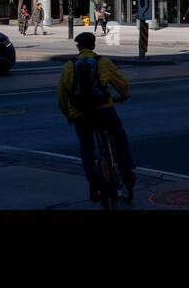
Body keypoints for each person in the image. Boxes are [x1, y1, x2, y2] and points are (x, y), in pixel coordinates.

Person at [57, 32, 135, 203]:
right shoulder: (103, 63)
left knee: (87, 146)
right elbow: (121, 84)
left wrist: (69, 114)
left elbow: (61, 97)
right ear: (93, 46)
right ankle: (127, 171)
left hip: (80, 114)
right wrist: (124, 95)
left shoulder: (69, 67)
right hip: (103, 110)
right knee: (119, 135)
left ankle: (93, 182)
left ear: (78, 47)